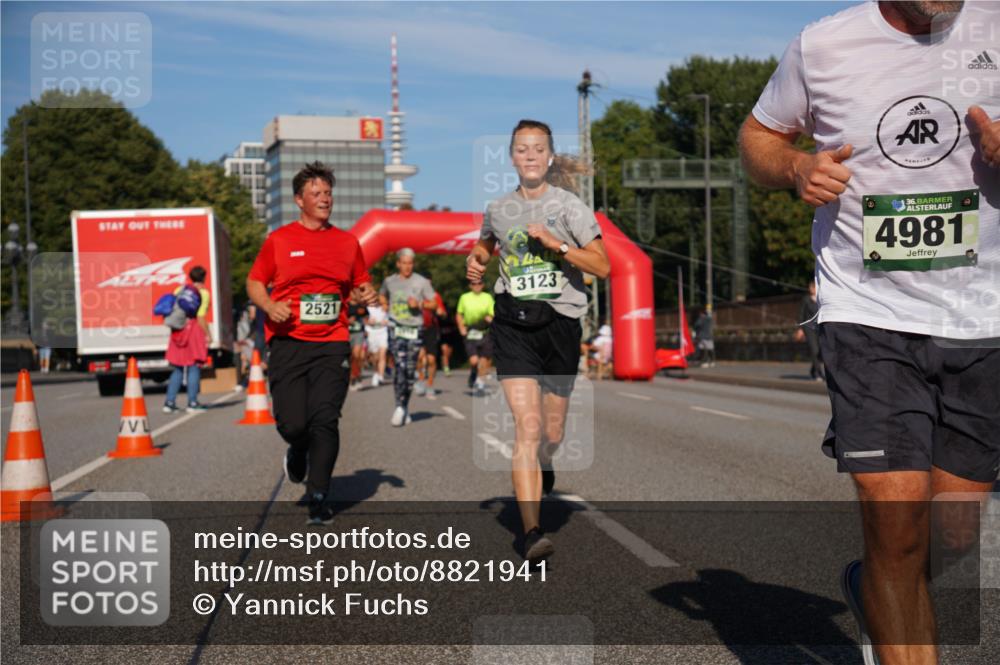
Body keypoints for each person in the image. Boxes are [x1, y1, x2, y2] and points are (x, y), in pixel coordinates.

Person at [740, 2, 999, 663]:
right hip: (867, 313)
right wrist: (797, 168)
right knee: (897, 526)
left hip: (984, 318)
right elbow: (759, 138)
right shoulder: (824, 45)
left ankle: (872, 582)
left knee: (952, 535)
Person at [466, 119, 610, 563]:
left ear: (549, 157)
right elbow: (484, 248)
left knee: (551, 432)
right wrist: (475, 265)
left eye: (538, 149)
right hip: (513, 325)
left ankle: (545, 463)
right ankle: (531, 532)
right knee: (526, 428)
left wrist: (557, 245)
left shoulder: (570, 208)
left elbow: (602, 267)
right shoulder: (498, 208)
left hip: (561, 325)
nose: (530, 156)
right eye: (522, 150)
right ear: (512, 157)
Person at [246, 161, 377, 526]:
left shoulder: (348, 242)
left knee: (325, 419)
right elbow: (255, 282)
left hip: (332, 342)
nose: (324, 199)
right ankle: (297, 449)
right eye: (316, 194)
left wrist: (366, 294)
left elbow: (360, 284)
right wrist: (270, 305)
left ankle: (319, 494)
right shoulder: (280, 240)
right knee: (292, 424)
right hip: (288, 342)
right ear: (299, 201)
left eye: (328, 193)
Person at [380, 248, 436, 426]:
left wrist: (419, 303)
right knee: (400, 365)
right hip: (395, 327)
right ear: (398, 264)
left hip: (414, 328)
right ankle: (399, 406)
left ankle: (404, 406)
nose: (407, 267)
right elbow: (382, 294)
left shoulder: (421, 282)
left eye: (410, 263)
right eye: (404, 263)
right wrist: (384, 305)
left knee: (410, 370)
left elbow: (434, 303)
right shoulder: (389, 281)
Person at [163, 265, 211, 413]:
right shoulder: (203, 293)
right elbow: (200, 316)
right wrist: (208, 334)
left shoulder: (180, 290)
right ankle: (192, 402)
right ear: (204, 277)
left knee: (177, 367)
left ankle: (169, 402)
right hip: (193, 331)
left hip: (178, 331)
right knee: (194, 366)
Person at [456, 280, 495, 394]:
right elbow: (459, 314)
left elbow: (492, 314)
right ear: (470, 285)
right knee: (474, 361)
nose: (477, 286)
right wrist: (461, 327)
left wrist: (490, 319)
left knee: (484, 359)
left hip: (484, 330)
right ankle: (474, 372)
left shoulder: (487, 297)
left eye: (479, 283)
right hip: (470, 331)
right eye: (474, 284)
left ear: (483, 285)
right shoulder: (464, 297)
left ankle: (480, 382)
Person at [415, 290, 446, 399]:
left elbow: (442, 311)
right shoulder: (413, 293)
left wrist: (441, 312)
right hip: (416, 328)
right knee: (419, 357)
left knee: (431, 359)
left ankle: (430, 384)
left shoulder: (435, 295)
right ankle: (421, 379)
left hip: (431, 329)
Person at [794, 280, 824, 381]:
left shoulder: (821, 299)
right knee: (814, 350)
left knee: (821, 351)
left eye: (814, 287)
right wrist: (800, 329)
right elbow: (801, 315)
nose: (811, 289)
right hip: (808, 328)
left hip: (819, 328)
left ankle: (812, 371)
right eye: (810, 287)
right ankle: (818, 374)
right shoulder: (806, 300)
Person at [365, 293, 390, 387]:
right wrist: (368, 322)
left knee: (382, 354)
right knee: (375, 357)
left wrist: (386, 321)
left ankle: (381, 376)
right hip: (372, 333)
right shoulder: (368, 308)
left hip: (383, 332)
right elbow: (364, 319)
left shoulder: (385, 308)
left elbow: (390, 319)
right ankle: (376, 372)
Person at [347, 293, 368, 391]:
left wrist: (366, 323)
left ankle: (357, 377)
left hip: (359, 333)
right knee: (350, 357)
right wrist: (348, 321)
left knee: (357, 356)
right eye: (353, 291)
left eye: (357, 291)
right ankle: (352, 377)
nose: (355, 294)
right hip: (347, 334)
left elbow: (367, 317)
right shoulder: (346, 304)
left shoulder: (361, 305)